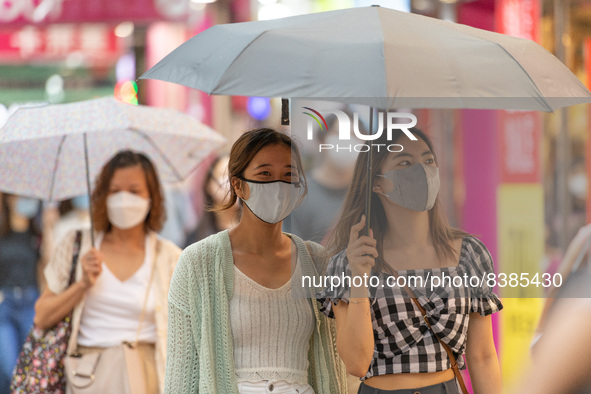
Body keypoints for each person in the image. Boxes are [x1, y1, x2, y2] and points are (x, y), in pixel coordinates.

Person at [317, 128, 503, 394]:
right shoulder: (350, 262)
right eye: (405, 163)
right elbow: (356, 363)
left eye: (428, 161)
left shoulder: (470, 254)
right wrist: (359, 275)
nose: (422, 171)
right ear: (377, 182)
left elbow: (483, 356)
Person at [165, 128, 348, 393]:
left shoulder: (318, 261)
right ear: (238, 185)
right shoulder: (198, 263)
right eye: (265, 173)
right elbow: (181, 377)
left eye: (289, 175)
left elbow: (339, 358)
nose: (278, 184)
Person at [33, 150, 181, 393]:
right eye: (114, 191)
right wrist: (81, 286)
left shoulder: (170, 258)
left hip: (148, 376)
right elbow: (41, 317)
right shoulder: (76, 245)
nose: (124, 199)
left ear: (152, 197)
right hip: (87, 376)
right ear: (102, 195)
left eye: (134, 191)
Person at [0, 194, 42, 394]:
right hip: (5, 303)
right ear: (9, 199)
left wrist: (49, 230)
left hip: (31, 301)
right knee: (9, 368)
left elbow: (48, 269)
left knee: (31, 368)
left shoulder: (37, 233)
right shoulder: (2, 232)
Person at [184, 154, 239, 245]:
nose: (231, 182)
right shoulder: (197, 238)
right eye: (223, 175)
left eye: (236, 175)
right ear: (209, 185)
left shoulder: (256, 231)